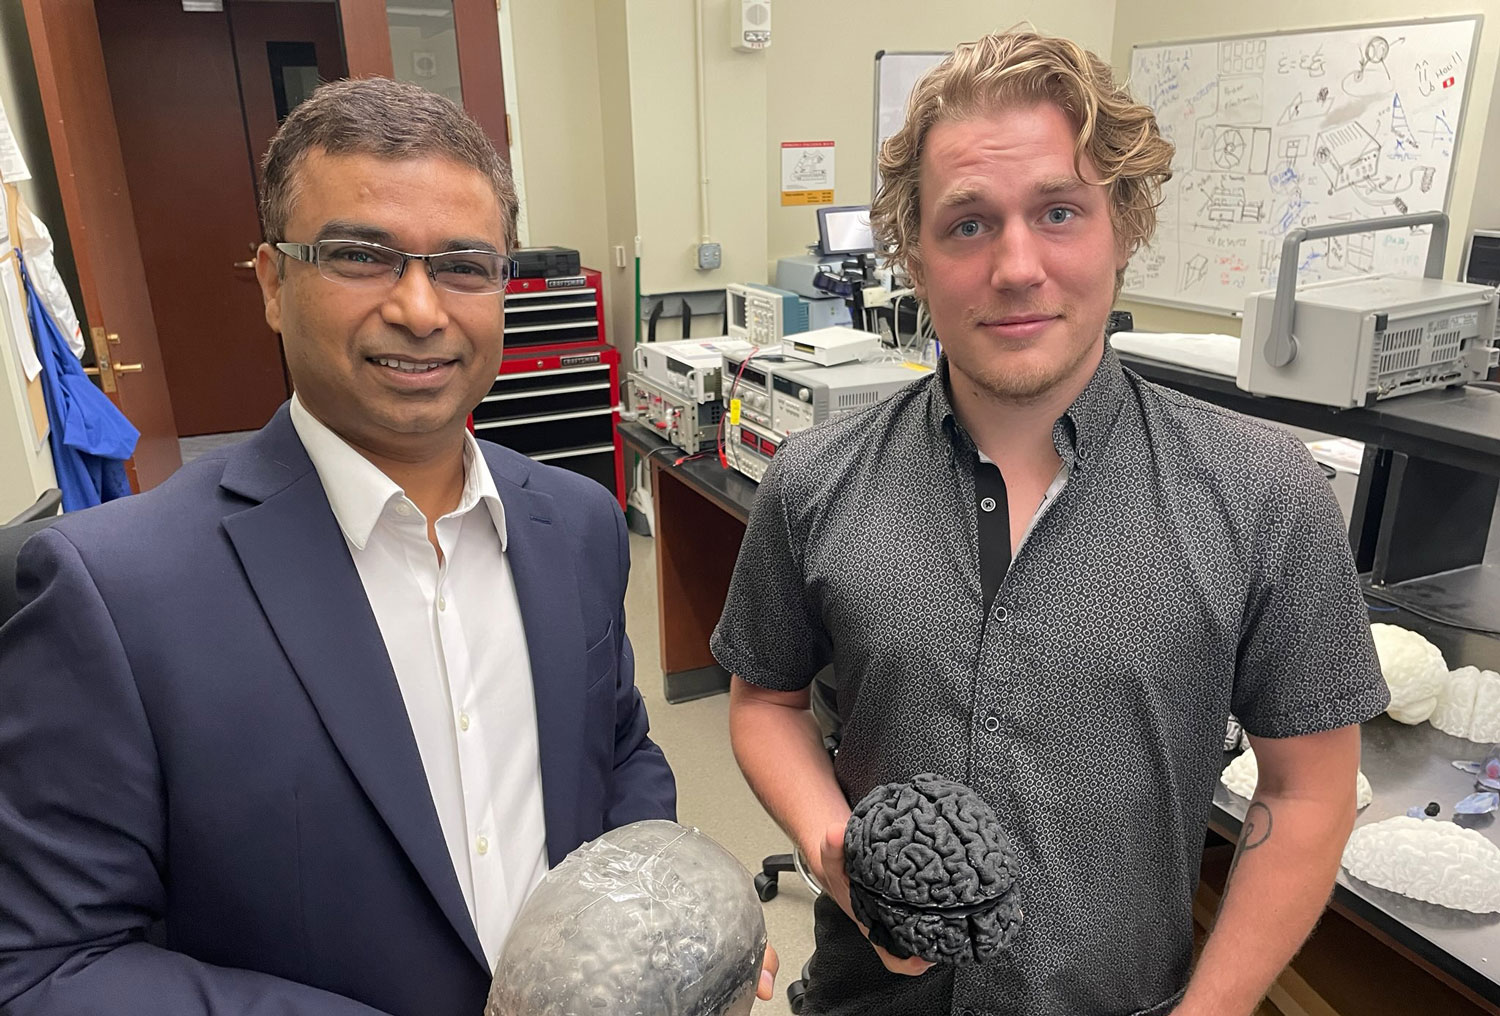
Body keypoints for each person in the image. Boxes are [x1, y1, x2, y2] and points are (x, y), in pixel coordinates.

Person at [713, 30, 1389, 1016]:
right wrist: (836, 850)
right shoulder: (816, 480)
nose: (1018, 265)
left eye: (1059, 212)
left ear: (1122, 226)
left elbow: (1307, 788)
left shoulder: (1262, 493)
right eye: (969, 224)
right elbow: (762, 699)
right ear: (913, 251)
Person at [0, 78, 678, 1016]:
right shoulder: (116, 593)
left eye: (464, 266)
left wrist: (656, 934)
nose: (420, 309)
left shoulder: (579, 524)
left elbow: (619, 749)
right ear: (274, 284)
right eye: (361, 255)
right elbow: (50, 969)